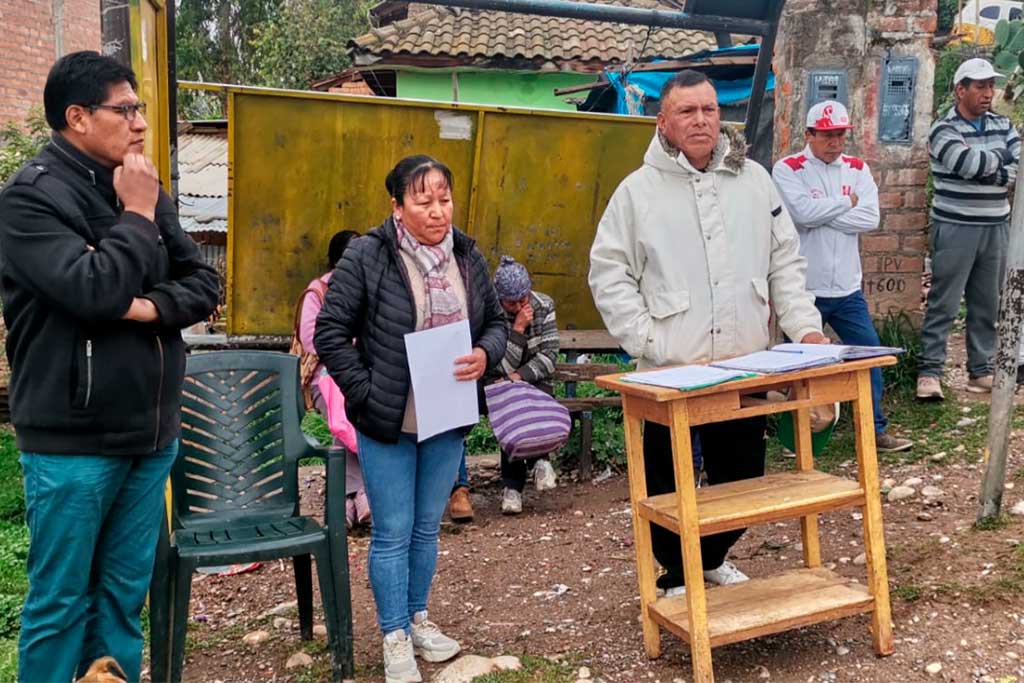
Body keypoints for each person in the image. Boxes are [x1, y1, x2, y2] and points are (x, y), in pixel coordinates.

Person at [0, 52, 220, 682]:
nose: (140, 123)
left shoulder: (139, 184)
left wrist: (149, 309)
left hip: (149, 436)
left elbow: (204, 282)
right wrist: (136, 216)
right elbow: (93, 292)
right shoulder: (28, 200)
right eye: (124, 109)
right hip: (73, 442)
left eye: (139, 108)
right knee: (60, 603)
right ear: (76, 117)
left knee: (122, 602)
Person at [588, 70, 826, 597]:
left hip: (744, 361)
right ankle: (676, 574)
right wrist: (647, 339)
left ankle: (708, 559)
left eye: (710, 110)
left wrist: (806, 329)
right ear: (663, 123)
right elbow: (609, 273)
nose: (701, 121)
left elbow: (784, 263)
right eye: (687, 112)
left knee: (742, 480)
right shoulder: (637, 193)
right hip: (672, 368)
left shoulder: (754, 182)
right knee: (665, 484)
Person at [314, 155, 507, 683]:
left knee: (427, 528)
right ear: (397, 206)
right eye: (424, 201)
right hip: (389, 418)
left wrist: (486, 354)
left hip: (447, 413)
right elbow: (330, 331)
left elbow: (494, 322)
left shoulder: (466, 255)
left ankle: (419, 619)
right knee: (393, 532)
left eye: (444, 199)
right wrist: (367, 391)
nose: (438, 211)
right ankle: (393, 634)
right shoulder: (368, 255)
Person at [772, 100, 913, 453]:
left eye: (840, 135)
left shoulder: (857, 168)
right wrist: (846, 204)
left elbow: (871, 220)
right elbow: (800, 214)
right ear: (809, 134)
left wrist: (826, 213)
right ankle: (798, 436)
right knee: (801, 367)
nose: (835, 143)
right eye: (827, 135)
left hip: (848, 288)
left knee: (870, 356)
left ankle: (874, 430)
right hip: (805, 290)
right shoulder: (788, 169)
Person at [917, 57, 1021, 400]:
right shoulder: (943, 128)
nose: (988, 92)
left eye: (991, 85)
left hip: (995, 225)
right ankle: (929, 373)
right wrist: (1000, 164)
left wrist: (993, 167)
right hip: (955, 225)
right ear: (960, 90)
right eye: (980, 86)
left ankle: (982, 370)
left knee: (988, 303)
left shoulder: (1003, 124)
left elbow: (1019, 167)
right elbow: (967, 164)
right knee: (943, 302)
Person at [298, 229, 369, 528]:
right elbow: (313, 339)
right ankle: (363, 496)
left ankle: (345, 501)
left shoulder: (370, 288)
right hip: (325, 379)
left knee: (358, 416)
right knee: (345, 419)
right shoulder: (318, 292)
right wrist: (352, 345)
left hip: (359, 373)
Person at [489, 255, 560, 515]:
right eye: (512, 302)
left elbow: (549, 356)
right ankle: (517, 484)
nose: (520, 305)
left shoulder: (544, 305)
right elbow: (500, 365)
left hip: (536, 379)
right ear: (500, 298)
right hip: (503, 383)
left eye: (524, 298)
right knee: (512, 408)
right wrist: (518, 329)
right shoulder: (492, 314)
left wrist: (517, 377)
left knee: (527, 399)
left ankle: (526, 475)